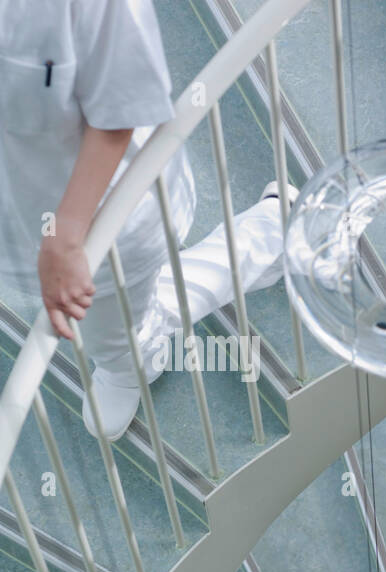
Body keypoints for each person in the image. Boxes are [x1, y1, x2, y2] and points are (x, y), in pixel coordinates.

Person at [0, 0, 291, 442]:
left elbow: (120, 103)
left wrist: (66, 237)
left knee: (119, 330)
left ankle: (131, 363)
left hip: (100, 216)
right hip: (24, 215)